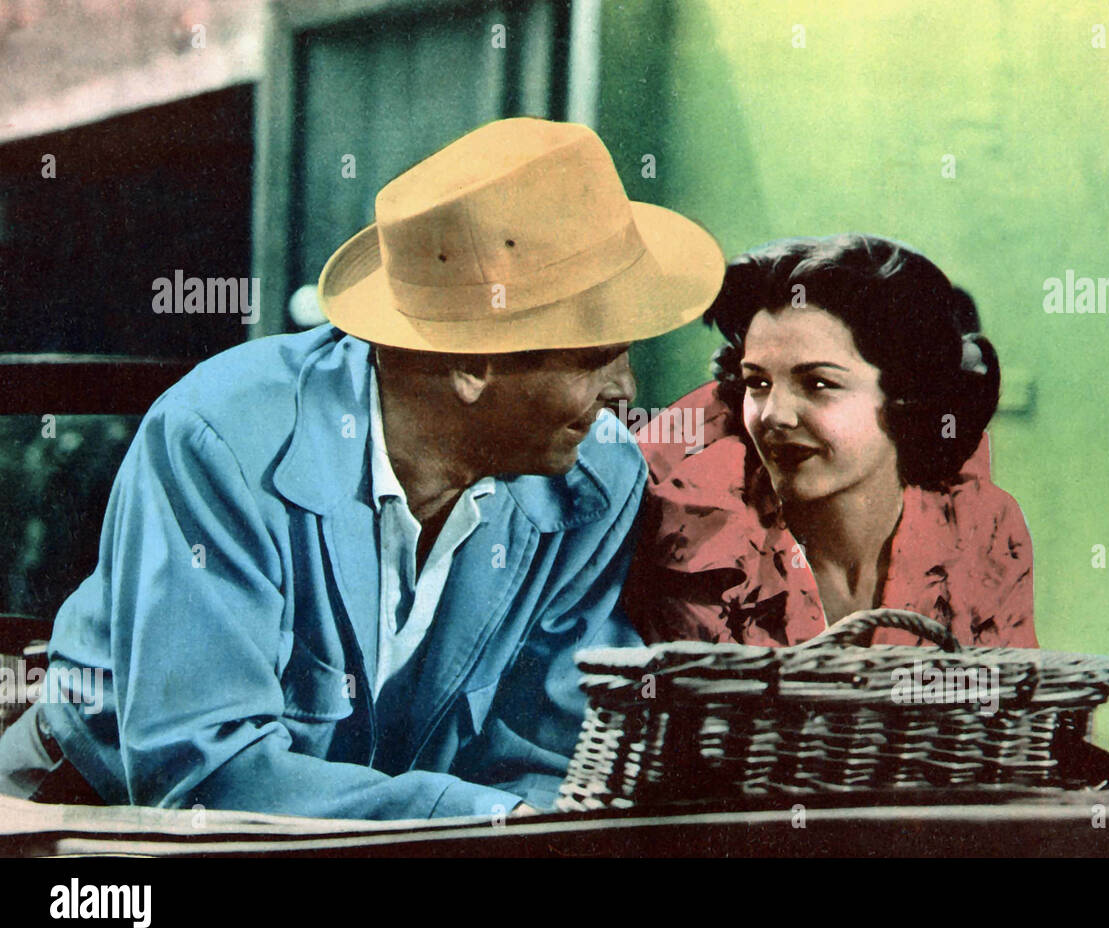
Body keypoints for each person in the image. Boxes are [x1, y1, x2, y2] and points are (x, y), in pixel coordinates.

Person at [0, 117, 725, 820]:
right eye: (597, 355)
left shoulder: (594, 480)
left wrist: (506, 833)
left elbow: (543, 752)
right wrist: (479, 820)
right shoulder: (220, 441)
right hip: (87, 823)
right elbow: (205, 781)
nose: (624, 391)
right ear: (474, 364)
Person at [624, 234, 1035, 649]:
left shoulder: (981, 526)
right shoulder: (704, 535)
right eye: (758, 383)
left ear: (907, 397)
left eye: (818, 383)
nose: (774, 416)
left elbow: (1009, 703)